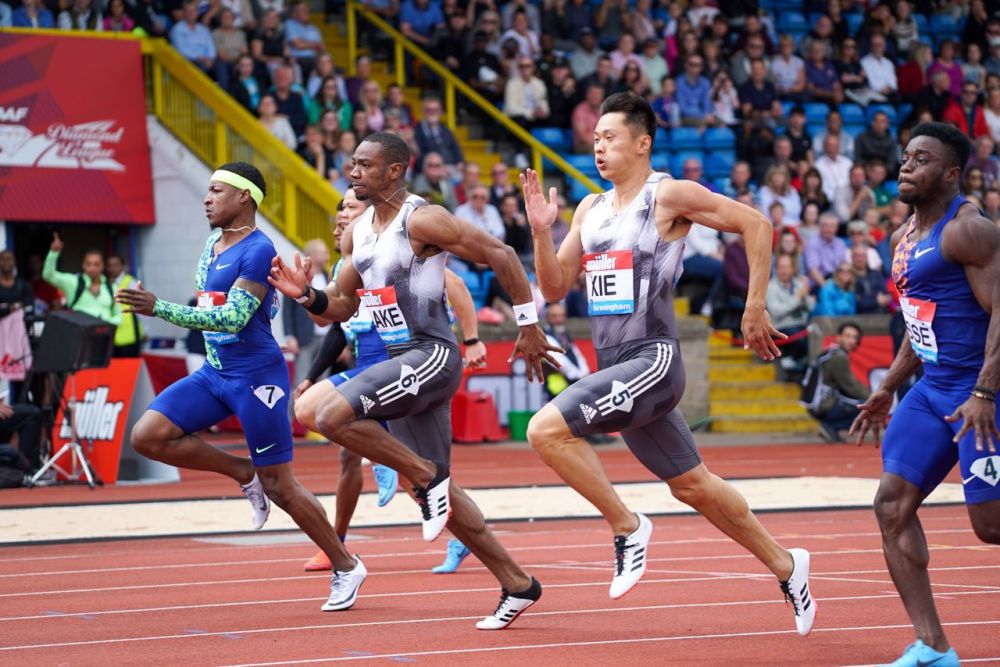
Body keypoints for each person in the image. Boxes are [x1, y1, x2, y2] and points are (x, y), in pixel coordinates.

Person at [520, 92, 815, 636]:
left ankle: (627, 527)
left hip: (653, 358)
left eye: (610, 137)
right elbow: (556, 288)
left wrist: (754, 304)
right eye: (595, 139)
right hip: (618, 366)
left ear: (642, 142)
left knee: (545, 431)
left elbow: (756, 225)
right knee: (694, 486)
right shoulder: (589, 209)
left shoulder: (668, 195)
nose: (599, 147)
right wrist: (541, 229)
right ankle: (787, 564)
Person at [268, 132, 558, 629]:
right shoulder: (360, 235)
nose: (352, 172)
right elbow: (340, 309)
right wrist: (306, 296)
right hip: (400, 363)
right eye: (351, 163)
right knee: (445, 502)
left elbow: (503, 254)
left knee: (323, 413)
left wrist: (529, 325)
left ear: (395, 171)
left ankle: (426, 476)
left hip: (430, 355)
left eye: (363, 165)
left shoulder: (420, 219)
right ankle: (517, 583)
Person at [115, 163, 367, 613]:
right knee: (147, 436)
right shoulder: (213, 243)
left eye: (216, 190)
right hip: (215, 373)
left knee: (282, 486)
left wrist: (160, 308)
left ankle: (346, 565)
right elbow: (207, 304)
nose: (206, 198)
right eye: (207, 190)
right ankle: (241, 472)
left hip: (256, 378)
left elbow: (232, 319)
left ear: (244, 197)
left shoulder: (258, 249)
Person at [851, 122, 1000, 667]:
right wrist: (888, 387)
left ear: (952, 173)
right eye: (906, 157)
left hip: (980, 391)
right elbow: (921, 322)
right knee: (891, 505)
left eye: (922, 159)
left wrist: (984, 392)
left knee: (991, 529)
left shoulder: (969, 231)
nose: (906, 166)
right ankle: (934, 648)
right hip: (932, 390)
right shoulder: (902, 239)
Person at [295, 189, 484, 575]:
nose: (342, 215)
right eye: (340, 208)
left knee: (419, 476)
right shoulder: (349, 265)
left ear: (371, 214)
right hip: (369, 366)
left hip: (404, 365)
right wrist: (304, 299)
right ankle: (338, 542)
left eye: (350, 207)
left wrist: (472, 339)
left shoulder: (401, 249)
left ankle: (463, 534)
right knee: (332, 434)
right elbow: (332, 325)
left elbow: (458, 286)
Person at [808, 322, 870, 443]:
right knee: (868, 407)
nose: (851, 341)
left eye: (854, 337)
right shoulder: (838, 356)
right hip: (822, 405)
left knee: (865, 403)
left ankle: (831, 426)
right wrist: (873, 398)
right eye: (848, 336)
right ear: (839, 337)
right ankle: (831, 426)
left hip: (817, 402)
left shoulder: (831, 352)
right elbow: (851, 387)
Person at [43, 234, 121, 327]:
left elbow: (119, 315)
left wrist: (106, 323)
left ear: (102, 266)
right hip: (78, 336)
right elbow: (48, 275)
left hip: (104, 336)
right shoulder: (73, 282)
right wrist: (53, 253)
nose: (92, 268)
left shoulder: (112, 288)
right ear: (83, 265)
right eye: (88, 264)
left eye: (96, 264)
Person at [106, 255, 143, 358]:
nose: (112, 268)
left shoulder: (130, 282)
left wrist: (145, 330)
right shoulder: (107, 284)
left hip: (129, 335)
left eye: (115, 265)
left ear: (122, 266)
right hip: (113, 336)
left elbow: (142, 306)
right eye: (110, 265)